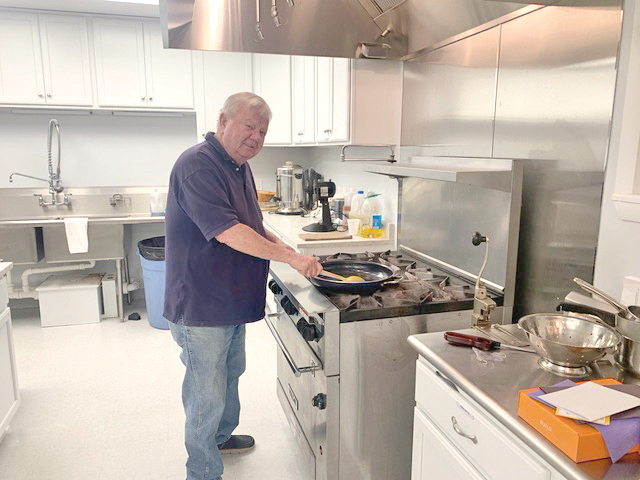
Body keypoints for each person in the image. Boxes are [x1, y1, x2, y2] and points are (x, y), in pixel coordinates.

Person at [163, 92, 323, 480]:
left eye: (262, 131)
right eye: (249, 126)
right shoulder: (197, 165)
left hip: (228, 298)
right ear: (223, 121)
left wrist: (287, 249)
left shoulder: (238, 166)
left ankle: (220, 437)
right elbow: (228, 232)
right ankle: (202, 471)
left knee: (230, 372)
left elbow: (251, 224)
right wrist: (289, 259)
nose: (256, 137)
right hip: (201, 303)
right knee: (206, 390)